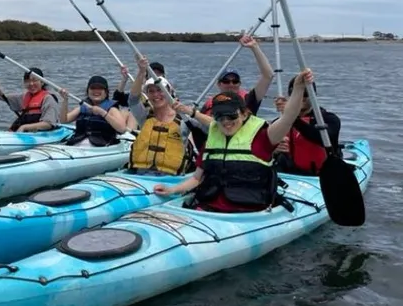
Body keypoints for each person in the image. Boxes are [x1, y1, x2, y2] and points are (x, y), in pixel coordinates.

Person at [153, 69, 315, 213]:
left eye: (231, 116)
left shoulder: (264, 136)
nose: (226, 121)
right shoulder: (213, 136)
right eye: (219, 116)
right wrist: (171, 189)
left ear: (244, 114)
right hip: (209, 207)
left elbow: (288, 117)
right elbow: (196, 179)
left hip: (248, 211)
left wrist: (299, 88)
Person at [125, 56, 204, 176]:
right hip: (141, 174)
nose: (156, 95)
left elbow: (212, 127)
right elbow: (133, 100)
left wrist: (193, 113)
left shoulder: (184, 118)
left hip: (170, 178)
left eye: (160, 90)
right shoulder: (144, 116)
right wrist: (141, 72)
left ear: (169, 92)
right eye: (151, 91)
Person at [272, 73, 341, 175]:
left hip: (321, 175)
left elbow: (322, 138)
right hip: (289, 174)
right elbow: (262, 149)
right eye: (297, 93)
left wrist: (292, 116)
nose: (301, 97)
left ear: (313, 95)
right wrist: (273, 150)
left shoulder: (329, 120)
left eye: (306, 93)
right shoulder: (279, 122)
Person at [199, 34, 274, 117]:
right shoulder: (209, 104)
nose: (231, 84)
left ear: (239, 84)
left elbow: (268, 76)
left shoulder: (248, 100)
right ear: (219, 84)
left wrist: (255, 47)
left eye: (235, 81)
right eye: (226, 81)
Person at [58, 75, 137, 147]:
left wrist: (102, 112)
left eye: (100, 88)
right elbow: (64, 120)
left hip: (102, 144)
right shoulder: (83, 107)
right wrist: (65, 100)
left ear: (106, 92)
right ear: (88, 91)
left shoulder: (112, 110)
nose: (96, 91)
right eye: (93, 88)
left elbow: (122, 129)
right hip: (78, 142)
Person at [0, 67, 60, 132]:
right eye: (27, 81)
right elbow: (2, 97)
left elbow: (49, 124)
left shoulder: (48, 99)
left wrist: (24, 127)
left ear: (42, 82)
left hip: (42, 133)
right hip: (26, 133)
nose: (31, 84)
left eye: (35, 80)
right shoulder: (24, 96)